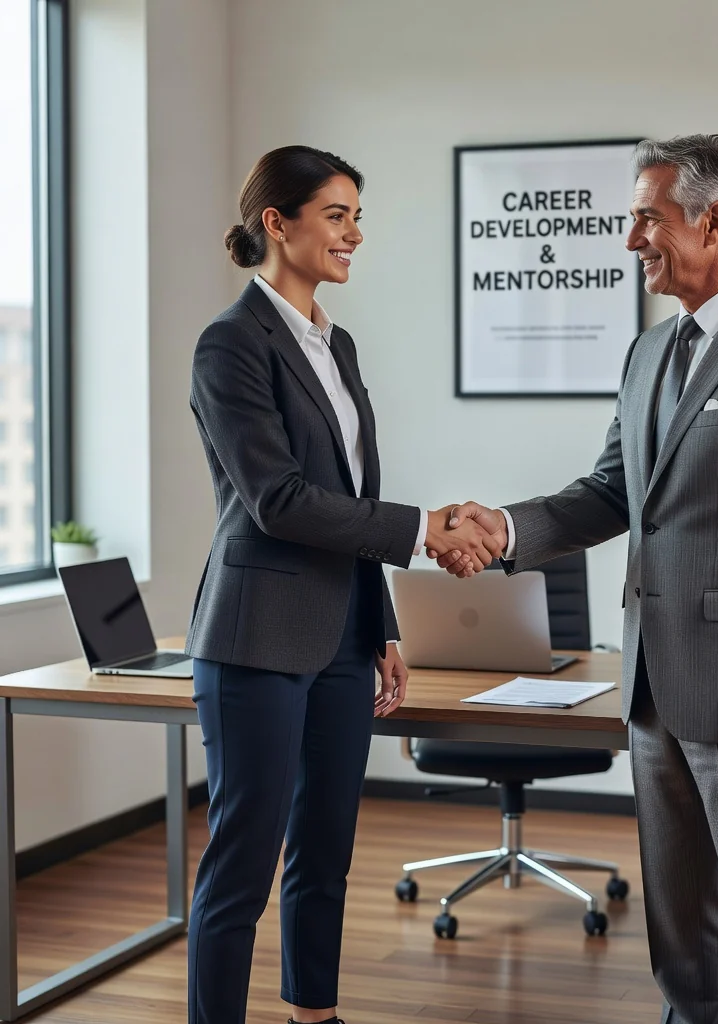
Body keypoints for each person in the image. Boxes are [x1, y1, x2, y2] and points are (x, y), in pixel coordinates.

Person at [434, 135, 718, 1023]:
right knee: (680, 932)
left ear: (713, 220)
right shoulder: (650, 352)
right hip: (653, 691)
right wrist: (503, 529)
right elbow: (610, 494)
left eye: (646, 219)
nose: (631, 240)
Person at [185, 145, 501, 1024]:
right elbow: (280, 500)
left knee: (325, 851)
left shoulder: (337, 344)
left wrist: (380, 624)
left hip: (340, 640)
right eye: (336, 215)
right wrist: (423, 528)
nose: (354, 233)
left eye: (357, 216)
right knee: (243, 865)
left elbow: (352, 495)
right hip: (256, 637)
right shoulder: (229, 345)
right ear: (276, 223)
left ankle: (314, 1016)